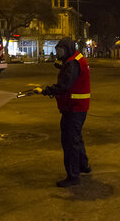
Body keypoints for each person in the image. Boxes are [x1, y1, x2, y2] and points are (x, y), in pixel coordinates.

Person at [34, 37, 91, 187]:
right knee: (76, 137)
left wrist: (44, 91)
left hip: (73, 107)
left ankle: (73, 177)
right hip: (78, 107)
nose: (58, 54)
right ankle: (83, 166)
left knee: (69, 142)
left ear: (67, 49)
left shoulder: (72, 63)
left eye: (60, 51)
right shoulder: (76, 58)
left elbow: (64, 85)